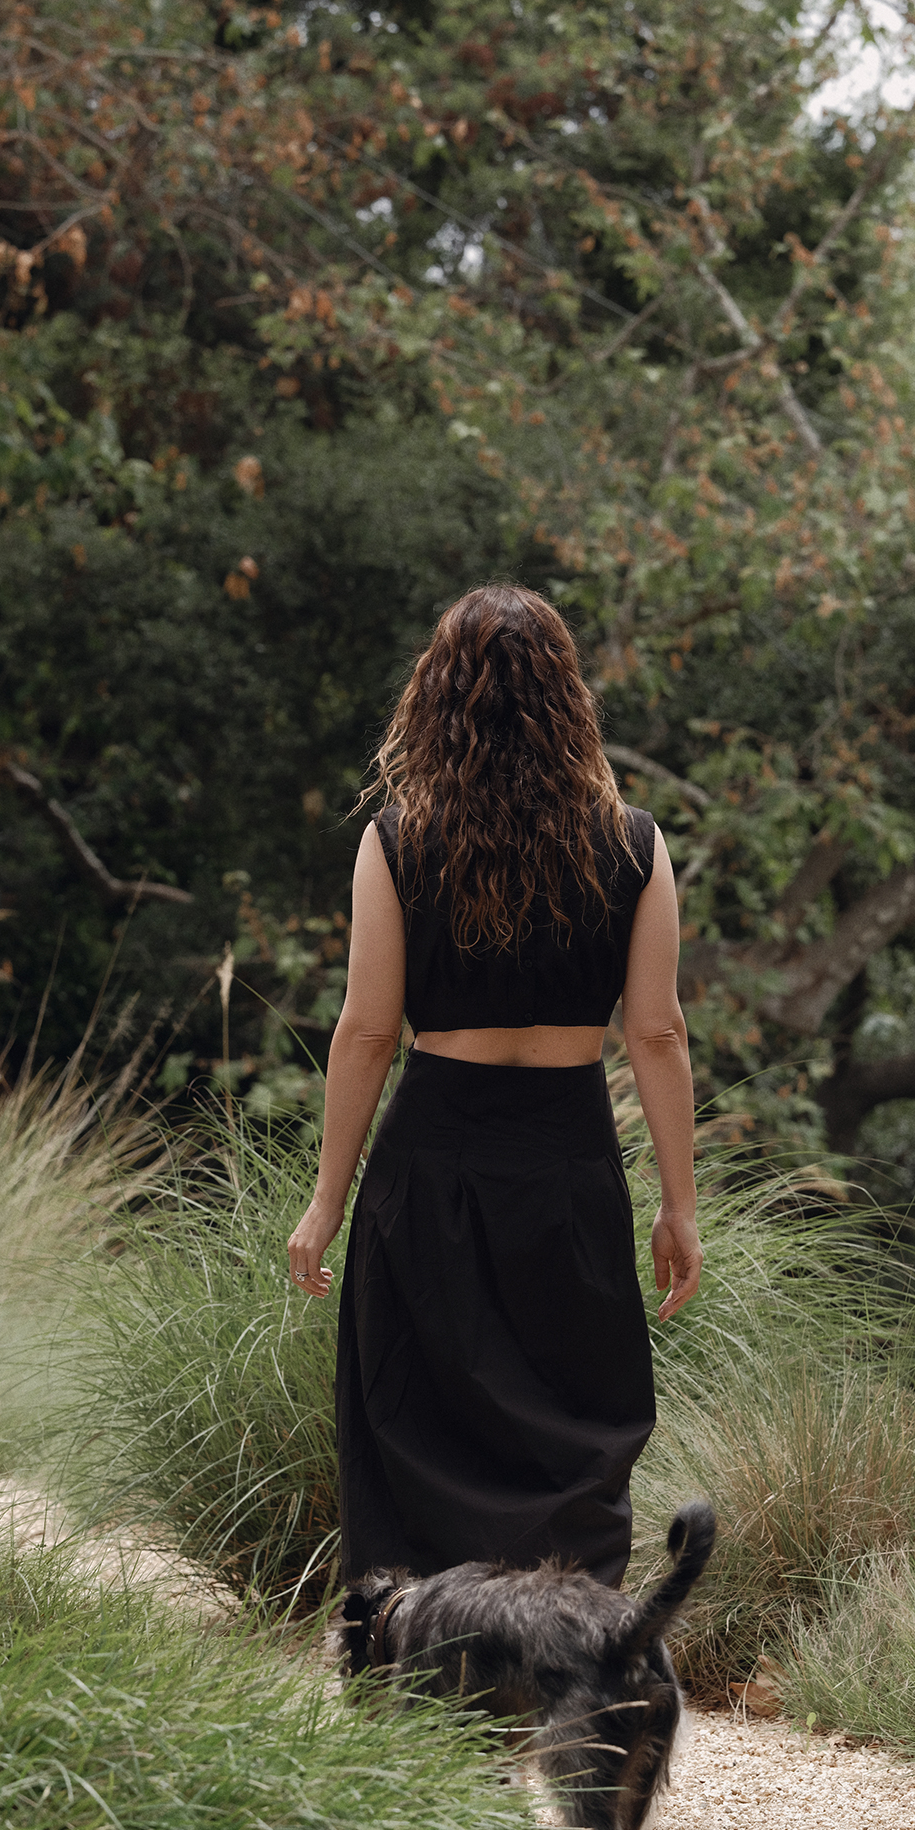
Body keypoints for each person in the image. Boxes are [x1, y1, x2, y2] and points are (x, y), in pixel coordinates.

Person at [286, 583, 702, 1590]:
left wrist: (326, 1201)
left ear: (436, 696)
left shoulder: (395, 840)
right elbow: (655, 1032)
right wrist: (678, 1205)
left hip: (432, 1159)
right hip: (568, 1160)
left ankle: (425, 1661)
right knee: (575, 1425)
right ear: (568, 697)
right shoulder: (636, 844)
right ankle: (569, 1648)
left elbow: (367, 1031)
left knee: (415, 1421)